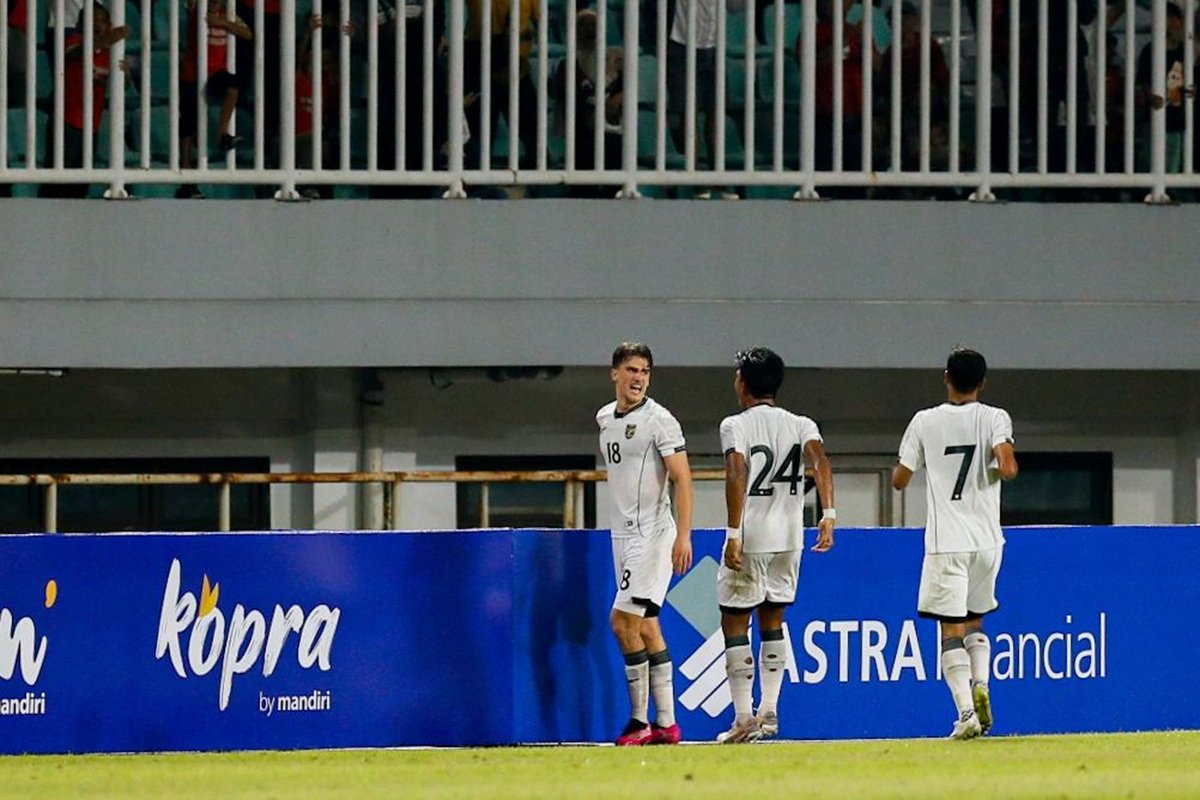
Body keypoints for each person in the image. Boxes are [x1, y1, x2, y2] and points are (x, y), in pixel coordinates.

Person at [891, 348, 1018, 741]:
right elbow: (1009, 467)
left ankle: (966, 711)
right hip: (987, 541)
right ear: (982, 382)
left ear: (946, 376)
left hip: (948, 541)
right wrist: (992, 470)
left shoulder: (924, 421)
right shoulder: (995, 417)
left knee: (950, 630)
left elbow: (899, 479)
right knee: (976, 620)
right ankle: (982, 683)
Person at [715, 346, 835, 744]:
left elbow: (736, 472)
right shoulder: (802, 423)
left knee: (734, 621)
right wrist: (829, 514)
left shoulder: (735, 425)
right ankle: (770, 711)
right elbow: (820, 462)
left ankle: (744, 717)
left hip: (751, 538)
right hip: (789, 539)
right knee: (773, 621)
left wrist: (734, 533)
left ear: (743, 383)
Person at [596, 342, 693, 746]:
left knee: (621, 622)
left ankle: (639, 722)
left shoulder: (660, 421)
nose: (639, 378)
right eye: (632, 370)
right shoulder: (604, 417)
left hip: (651, 535)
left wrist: (683, 535)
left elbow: (683, 479)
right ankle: (667, 724)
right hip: (622, 535)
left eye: (646, 371)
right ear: (615, 373)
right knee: (648, 625)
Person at [39, 3, 129, 198]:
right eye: (93, 19)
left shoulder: (109, 53)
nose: (98, 24)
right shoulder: (72, 39)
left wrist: (126, 73)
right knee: (56, 183)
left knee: (80, 184)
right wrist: (105, 40)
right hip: (66, 122)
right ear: (81, 23)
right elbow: (75, 54)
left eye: (103, 20)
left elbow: (124, 87)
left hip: (91, 127)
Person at [177, 0, 252, 199]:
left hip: (215, 73)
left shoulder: (228, 13)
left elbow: (248, 34)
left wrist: (224, 23)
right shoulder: (196, 9)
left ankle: (222, 133)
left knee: (233, 86)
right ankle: (187, 183)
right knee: (187, 132)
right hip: (191, 75)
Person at [551, 9, 624, 197]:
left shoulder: (616, 61)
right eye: (582, 25)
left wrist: (616, 99)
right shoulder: (566, 65)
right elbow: (565, 99)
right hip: (581, 133)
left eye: (593, 25)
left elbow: (626, 93)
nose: (588, 30)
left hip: (611, 133)